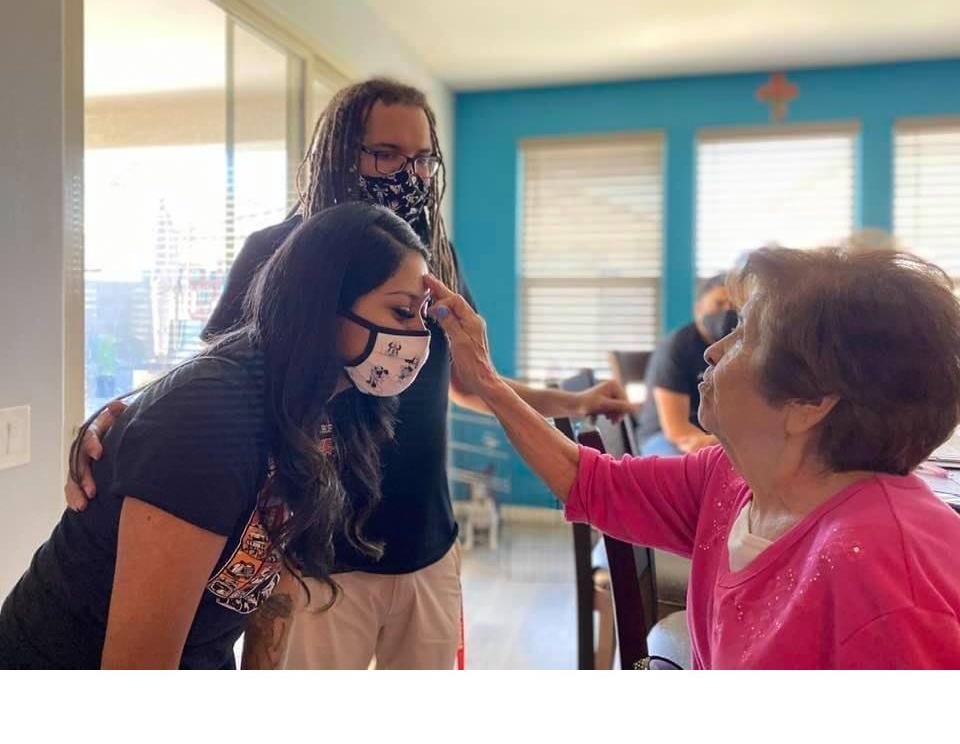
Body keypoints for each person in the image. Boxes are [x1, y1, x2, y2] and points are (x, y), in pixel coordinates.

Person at [67, 78, 633, 670]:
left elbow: (470, 381)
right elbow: (213, 382)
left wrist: (574, 401)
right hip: (311, 559)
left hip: (426, 544)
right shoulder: (279, 254)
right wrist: (120, 428)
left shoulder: (433, 257)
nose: (406, 173)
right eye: (385, 154)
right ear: (340, 152)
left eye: (420, 159)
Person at [425, 246, 960, 669]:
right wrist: (489, 384)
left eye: (743, 336)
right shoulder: (731, 478)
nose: (713, 351)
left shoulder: (888, 579)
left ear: (809, 403)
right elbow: (589, 482)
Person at [0, 203, 433, 669]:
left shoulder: (322, 410)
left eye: (422, 314)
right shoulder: (210, 415)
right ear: (326, 301)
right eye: (403, 311)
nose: (419, 334)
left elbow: (276, 574)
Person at [634, 274, 737, 456]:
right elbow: (676, 429)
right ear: (699, 310)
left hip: (716, 439)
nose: (727, 311)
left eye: (733, 305)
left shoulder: (739, 348)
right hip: (665, 437)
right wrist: (716, 447)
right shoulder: (677, 347)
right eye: (719, 304)